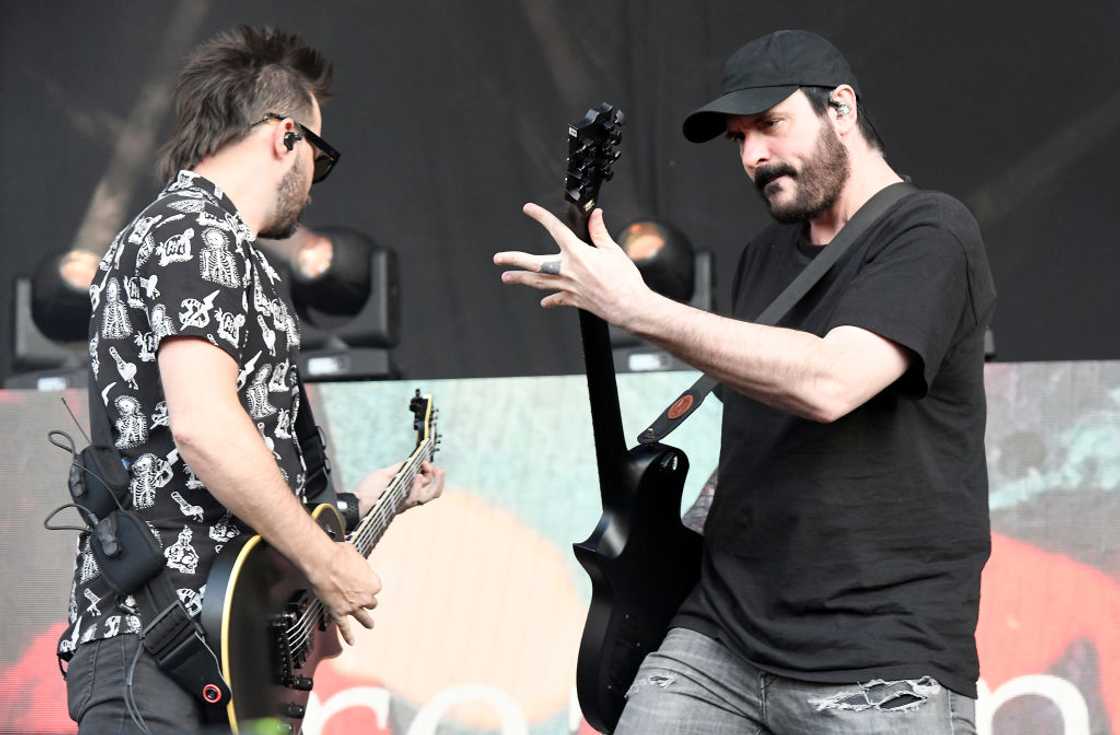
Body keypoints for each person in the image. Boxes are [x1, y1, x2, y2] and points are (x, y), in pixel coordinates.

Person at [495, 29, 995, 735]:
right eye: (738, 139)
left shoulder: (930, 232)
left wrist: (638, 308)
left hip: (880, 658)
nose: (754, 155)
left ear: (842, 108)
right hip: (720, 640)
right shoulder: (763, 256)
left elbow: (832, 382)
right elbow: (756, 439)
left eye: (770, 125)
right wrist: (666, 547)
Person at [60, 26, 445, 734]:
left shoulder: (221, 248)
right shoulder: (196, 233)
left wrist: (362, 505)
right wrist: (323, 560)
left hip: (222, 661)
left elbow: (230, 474)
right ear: (284, 136)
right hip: (162, 648)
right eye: (319, 158)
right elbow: (204, 426)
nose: (314, 181)